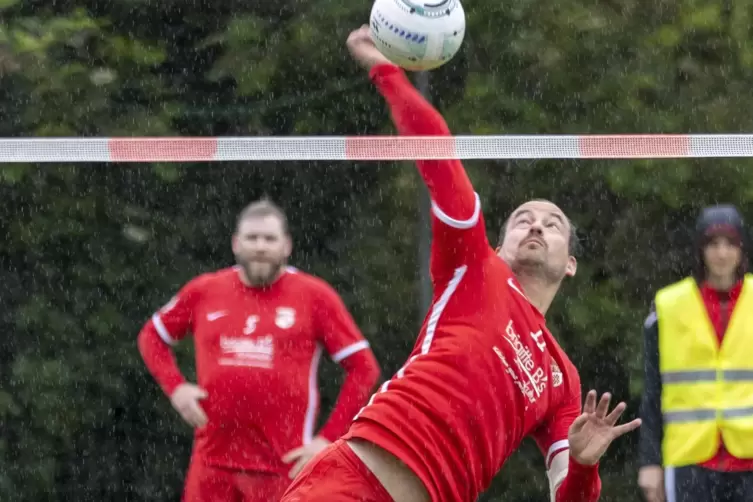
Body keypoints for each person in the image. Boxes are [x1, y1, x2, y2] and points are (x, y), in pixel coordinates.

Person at [279, 26, 641, 502]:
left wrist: (584, 466)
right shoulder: (473, 266)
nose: (535, 227)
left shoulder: (561, 377)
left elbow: (569, 497)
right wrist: (383, 67)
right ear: (499, 242)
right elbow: (437, 149)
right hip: (348, 484)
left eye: (552, 224)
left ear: (570, 264)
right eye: (522, 220)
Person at [137, 198, 381, 502]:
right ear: (236, 243)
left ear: (287, 245)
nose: (261, 247)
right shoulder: (205, 291)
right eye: (252, 238)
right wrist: (176, 388)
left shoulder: (314, 296)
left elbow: (364, 367)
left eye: (270, 238)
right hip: (212, 464)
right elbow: (152, 336)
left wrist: (327, 440)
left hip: (285, 468)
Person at [638, 204, 753, 502]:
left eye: (730, 243)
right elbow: (652, 392)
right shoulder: (668, 307)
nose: (722, 253)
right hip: (690, 458)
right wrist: (649, 461)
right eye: (713, 244)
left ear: (742, 249)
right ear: (700, 249)